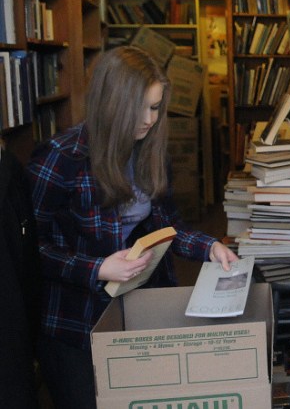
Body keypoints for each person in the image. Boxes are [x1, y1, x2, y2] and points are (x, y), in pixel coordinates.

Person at [27, 46, 238, 409]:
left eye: (155, 107)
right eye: (139, 108)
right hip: (75, 325)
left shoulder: (150, 151)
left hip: (138, 312)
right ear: (111, 103)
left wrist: (209, 247)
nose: (149, 119)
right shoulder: (61, 158)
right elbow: (30, 250)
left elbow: (167, 227)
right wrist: (98, 268)